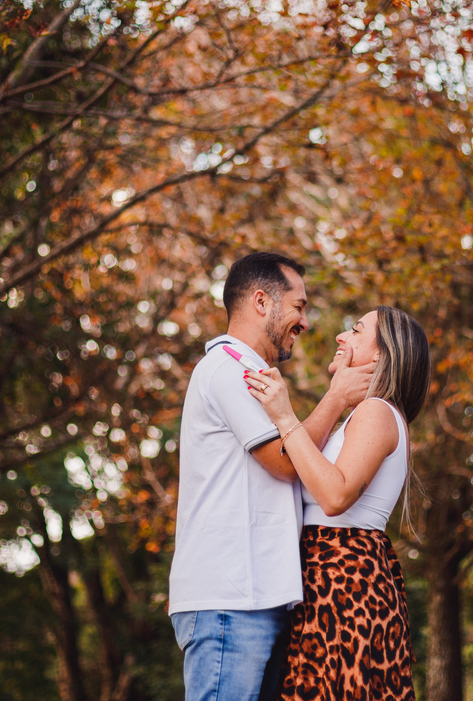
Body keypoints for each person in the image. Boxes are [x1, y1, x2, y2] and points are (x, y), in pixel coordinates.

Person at [168, 252, 375, 701]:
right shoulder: (228, 369)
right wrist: (336, 397)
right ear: (262, 302)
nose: (304, 321)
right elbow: (287, 460)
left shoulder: (254, 375)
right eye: (299, 306)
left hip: (255, 597)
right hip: (230, 600)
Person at [244, 305, 430, 701]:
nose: (340, 338)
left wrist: (284, 417)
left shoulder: (376, 412)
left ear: (380, 354)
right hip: (329, 578)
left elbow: (335, 495)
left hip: (346, 583)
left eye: (356, 330)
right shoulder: (362, 415)